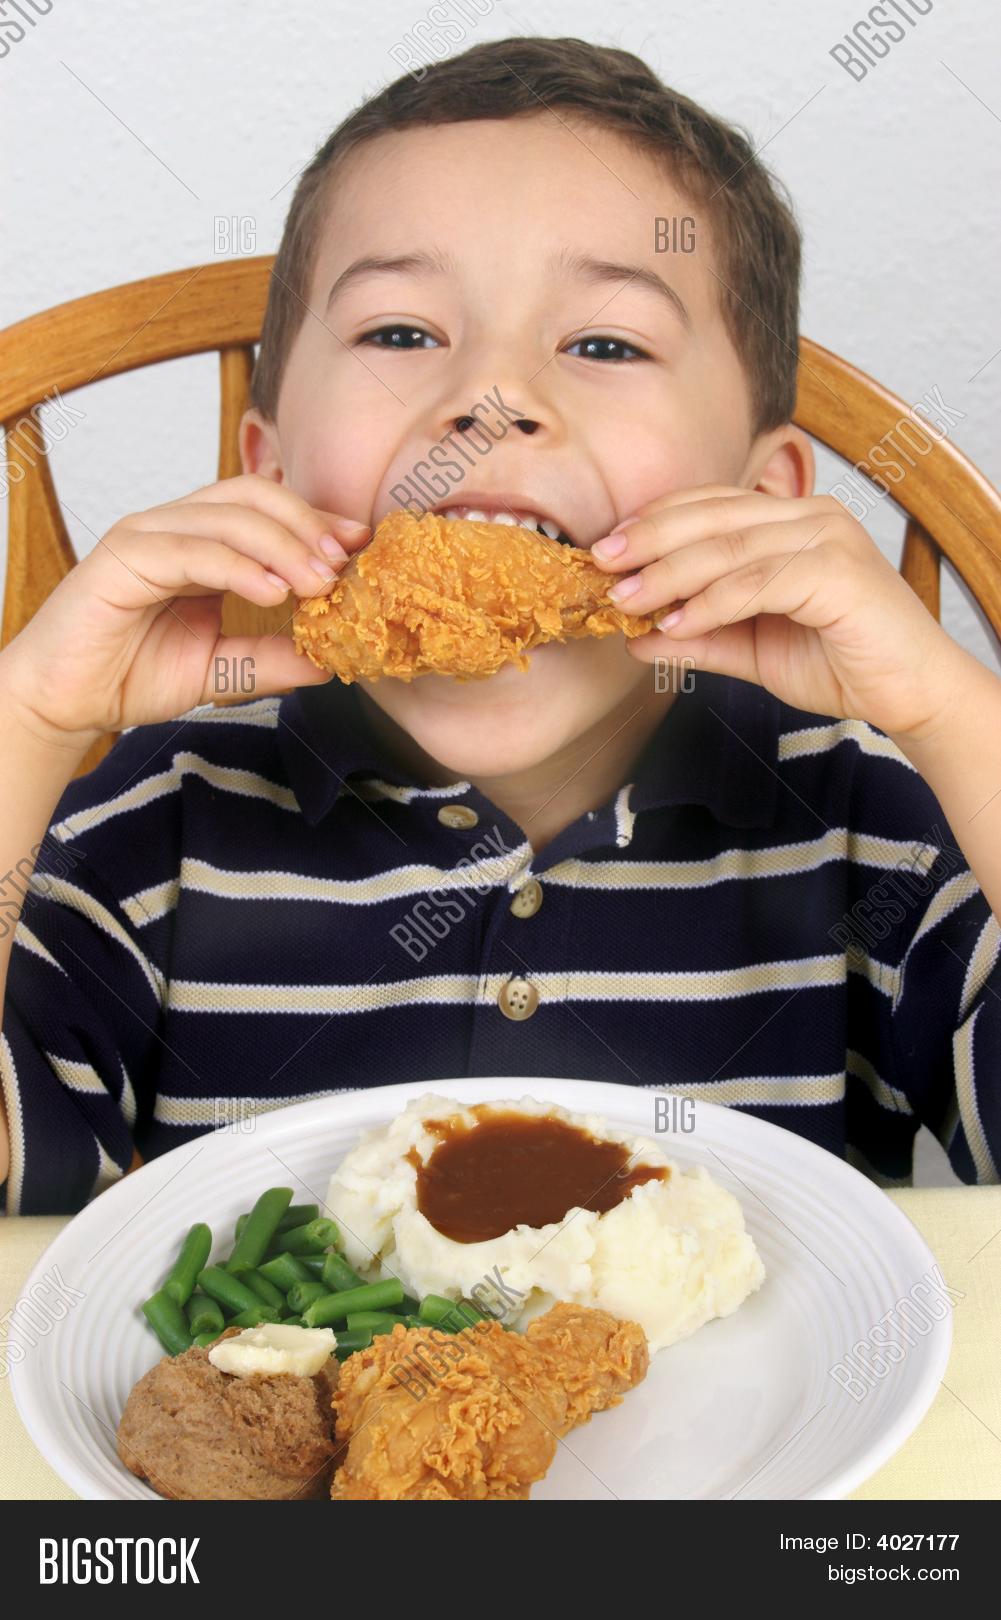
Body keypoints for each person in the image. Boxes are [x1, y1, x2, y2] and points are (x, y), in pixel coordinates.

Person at [1, 37, 998, 1212]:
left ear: (758, 502)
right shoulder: (142, 823)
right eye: (399, 333)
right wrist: (27, 721)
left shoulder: (876, 820)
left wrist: (949, 711)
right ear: (263, 471)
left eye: (605, 343)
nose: (490, 400)